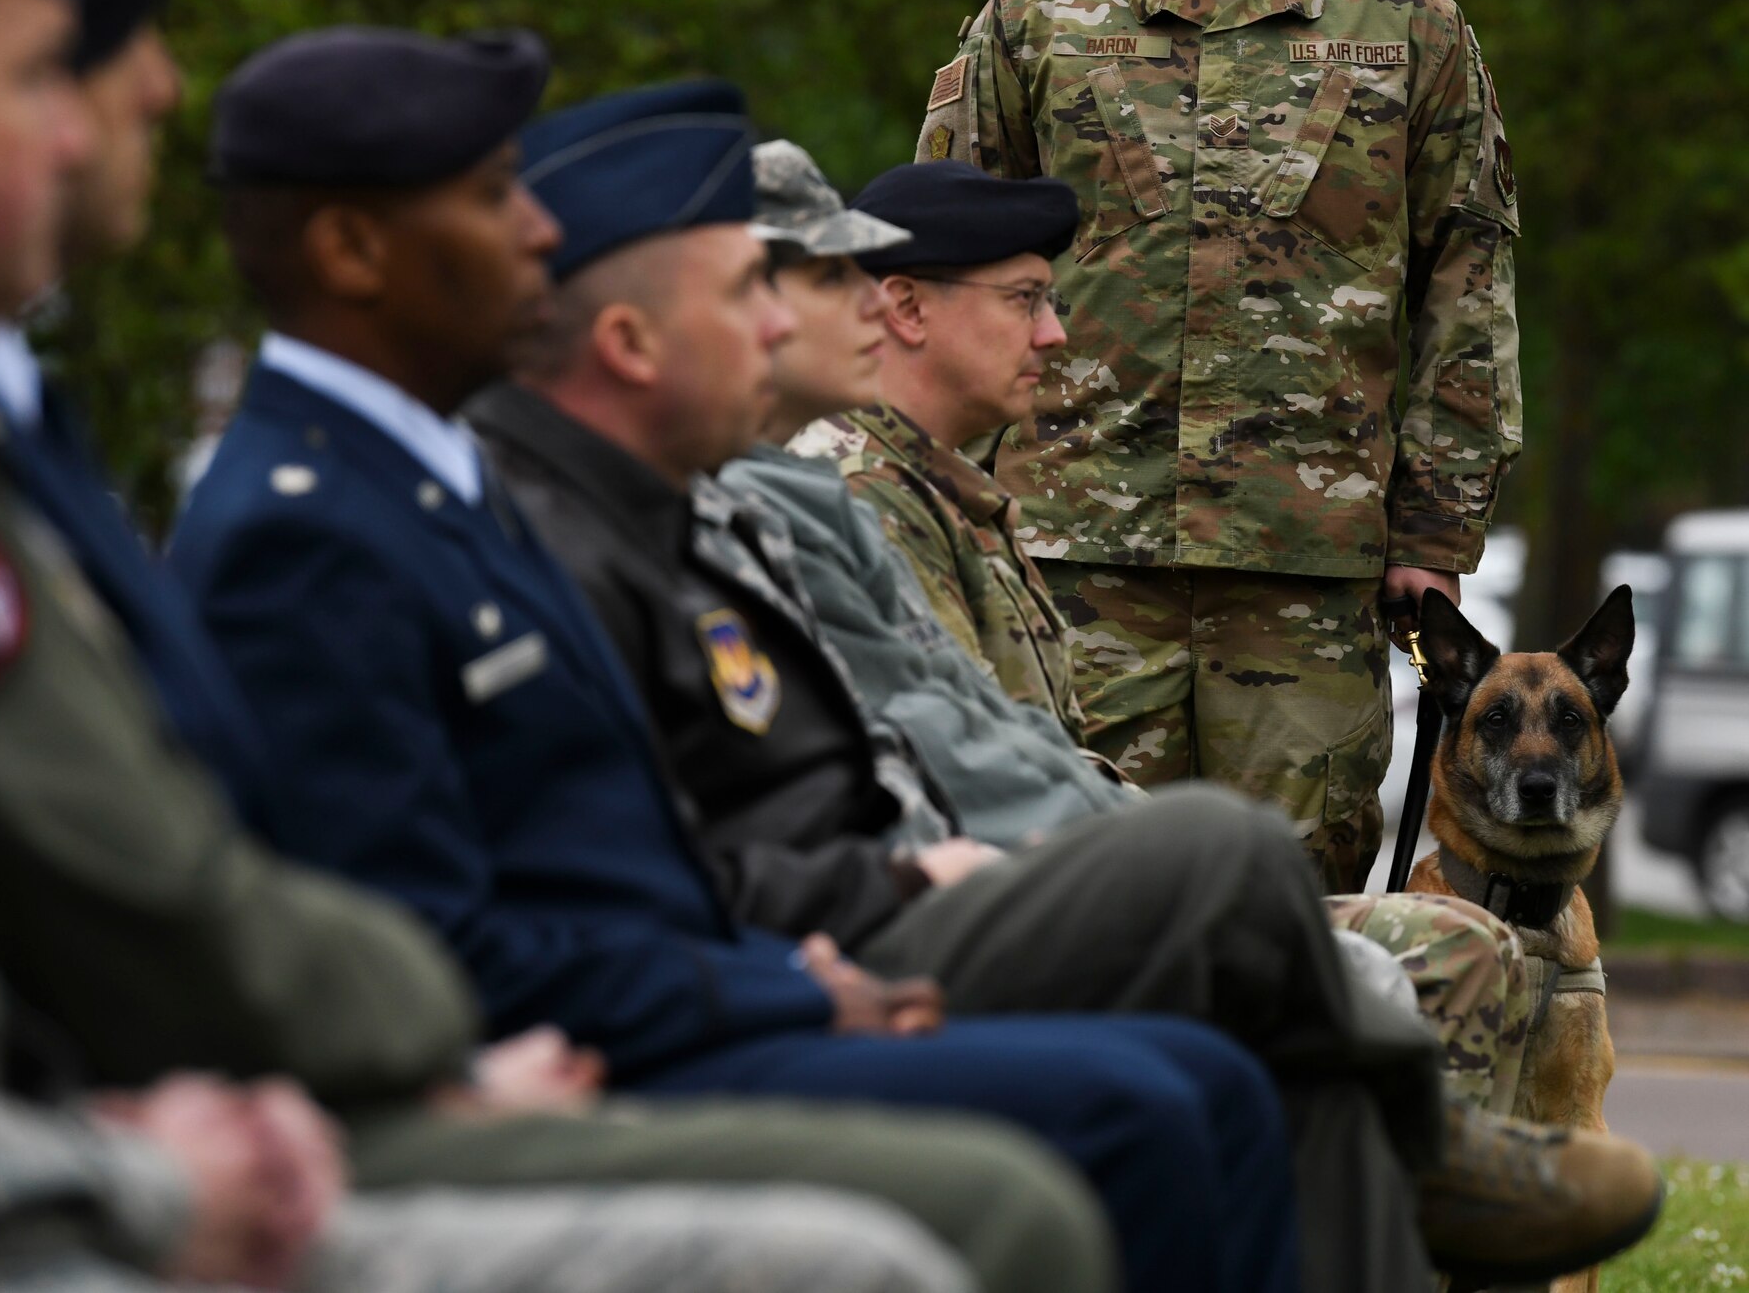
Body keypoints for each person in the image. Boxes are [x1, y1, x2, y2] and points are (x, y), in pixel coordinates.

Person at [0, 0, 1114, 1293]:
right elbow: (114, 914)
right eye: (45, 69)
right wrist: (569, 1019)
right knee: (995, 1197)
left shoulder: (25, 421)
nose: (538, 230)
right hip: (207, 1127)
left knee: (1175, 1028)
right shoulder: (251, 509)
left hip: (350, 1068)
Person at [467, 86, 1655, 1290]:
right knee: (1224, 882)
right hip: (850, 922)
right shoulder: (748, 502)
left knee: (1256, 965)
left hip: (886, 890)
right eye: (769, 292)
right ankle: (1430, 1147)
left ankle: (1419, 1160)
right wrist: (878, 898)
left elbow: (919, 736)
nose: (1056, 335)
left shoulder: (754, 505)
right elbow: (832, 778)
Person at [174, 40, 1311, 1293]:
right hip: (601, 1048)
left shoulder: (432, 481)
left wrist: (771, 973)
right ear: (350, 253)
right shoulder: (310, 525)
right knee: (1117, 1119)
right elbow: (429, 938)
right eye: (495, 194)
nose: (537, 226)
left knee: (1192, 1082)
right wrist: (773, 989)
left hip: (697, 983)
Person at [755, 146, 1533, 1120]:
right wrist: (1170, 861)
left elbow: (1019, 748)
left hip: (1032, 877)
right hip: (986, 906)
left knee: (1445, 939)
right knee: (1440, 954)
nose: (1053, 335)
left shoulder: (943, 491)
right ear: (909, 308)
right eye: (1024, 299)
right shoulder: (863, 495)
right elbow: (957, 768)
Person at [921, 0, 1521, 892]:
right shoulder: (1039, 16)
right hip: (1070, 551)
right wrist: (939, 494)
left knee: (1284, 916)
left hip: (1302, 573)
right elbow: (935, 259)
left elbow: (1466, 275)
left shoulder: (1406, 25)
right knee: (1062, 895)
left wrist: (1435, 527)